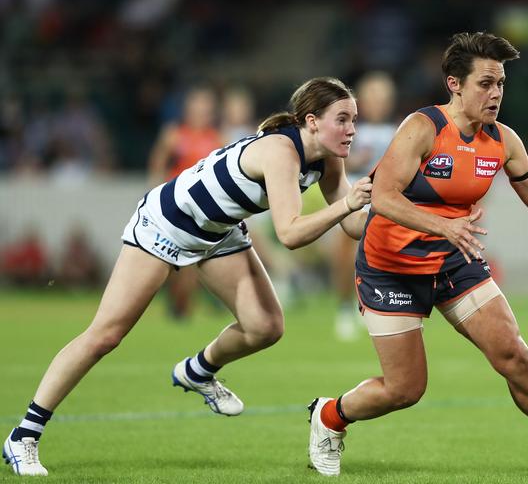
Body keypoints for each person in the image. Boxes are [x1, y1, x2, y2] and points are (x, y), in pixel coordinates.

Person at [3, 77, 372, 477]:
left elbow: (352, 226)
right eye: (343, 119)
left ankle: (198, 371)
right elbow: (290, 233)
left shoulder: (330, 158)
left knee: (265, 326)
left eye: (354, 119)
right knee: (105, 335)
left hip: (218, 232)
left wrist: (386, 208)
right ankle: (24, 435)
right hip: (167, 225)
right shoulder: (282, 152)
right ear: (312, 121)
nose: (352, 129)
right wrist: (348, 204)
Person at [307, 33, 528, 479]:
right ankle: (328, 417)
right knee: (405, 389)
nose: (495, 93)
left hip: (453, 261)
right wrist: (445, 225)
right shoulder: (423, 127)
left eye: (500, 84)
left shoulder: (503, 140)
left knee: (514, 356)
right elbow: (383, 196)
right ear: (454, 84)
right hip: (391, 268)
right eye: (485, 83)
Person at [329, 71, 398, 341]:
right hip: (354, 191)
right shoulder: (348, 128)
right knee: (347, 249)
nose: (378, 103)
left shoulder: (399, 130)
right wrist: (355, 161)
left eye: (383, 98)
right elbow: (332, 162)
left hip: (386, 196)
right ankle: (345, 307)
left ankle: (379, 305)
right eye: (373, 97)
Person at [147, 86, 224, 319]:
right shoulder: (174, 134)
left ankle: (186, 305)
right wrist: (155, 195)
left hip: (205, 208)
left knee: (191, 261)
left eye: (205, 107)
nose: (201, 111)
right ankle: (179, 301)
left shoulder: (218, 138)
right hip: (175, 204)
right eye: (197, 106)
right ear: (187, 109)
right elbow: (158, 165)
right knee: (173, 262)